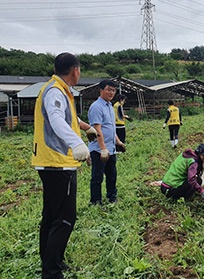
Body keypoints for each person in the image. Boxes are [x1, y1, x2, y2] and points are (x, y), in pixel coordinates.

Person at [31, 52, 97, 279]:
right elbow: (57, 119)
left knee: (51, 216)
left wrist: (86, 127)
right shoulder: (55, 91)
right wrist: (78, 144)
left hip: (50, 163)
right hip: (58, 164)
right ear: (75, 70)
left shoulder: (58, 90)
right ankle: (51, 272)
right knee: (66, 218)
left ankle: (51, 262)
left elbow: (68, 118)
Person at [88, 79, 126, 205]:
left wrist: (118, 142)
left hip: (111, 148)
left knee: (112, 175)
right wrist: (103, 148)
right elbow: (97, 129)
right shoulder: (96, 107)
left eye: (113, 90)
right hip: (99, 150)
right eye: (109, 89)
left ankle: (112, 197)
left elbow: (110, 128)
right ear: (101, 90)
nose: (111, 92)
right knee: (97, 177)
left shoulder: (110, 106)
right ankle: (96, 201)